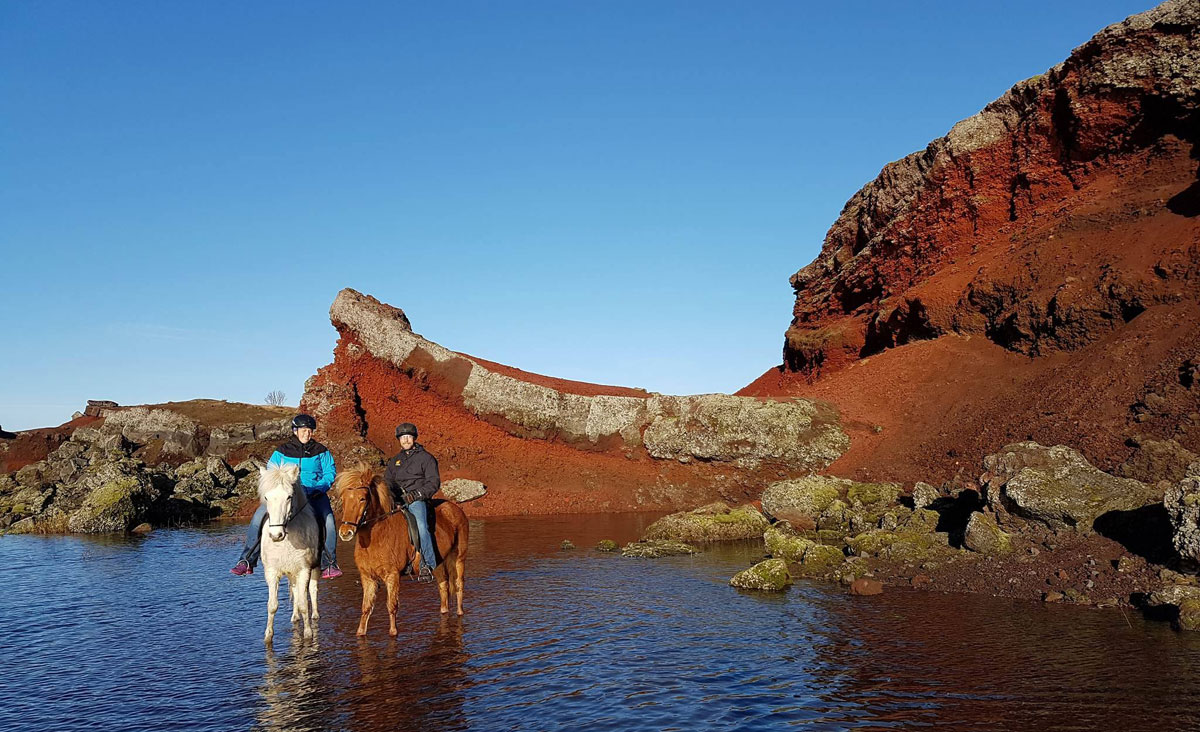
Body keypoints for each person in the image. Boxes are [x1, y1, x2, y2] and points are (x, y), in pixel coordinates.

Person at [230, 413, 342, 579]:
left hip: (315, 494)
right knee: (258, 518)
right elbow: (271, 474)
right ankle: (246, 560)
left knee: (330, 523)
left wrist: (320, 487)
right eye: (303, 430)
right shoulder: (282, 451)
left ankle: (329, 564)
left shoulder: (321, 451)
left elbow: (330, 472)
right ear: (295, 431)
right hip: (285, 494)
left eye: (310, 430)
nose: (307, 433)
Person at [383, 422, 440, 583]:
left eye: (409, 437)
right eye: (403, 437)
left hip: (417, 500)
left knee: (421, 526)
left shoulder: (426, 458)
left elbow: (433, 482)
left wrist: (416, 495)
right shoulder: (395, 461)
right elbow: (388, 482)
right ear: (399, 440)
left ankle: (427, 564)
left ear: (414, 438)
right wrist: (393, 498)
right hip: (398, 501)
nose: (406, 440)